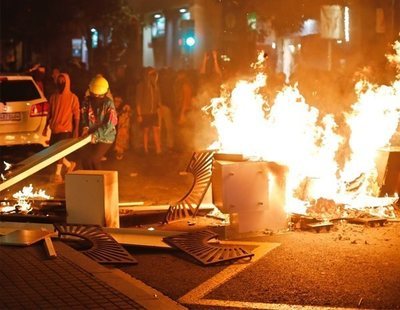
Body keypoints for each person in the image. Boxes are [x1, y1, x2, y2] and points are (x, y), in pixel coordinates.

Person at [42, 73, 80, 183]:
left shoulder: (73, 98)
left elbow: (76, 114)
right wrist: (46, 127)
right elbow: (49, 114)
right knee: (54, 153)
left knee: (59, 152)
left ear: (67, 82)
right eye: (59, 81)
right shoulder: (53, 97)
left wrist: (76, 129)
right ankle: (69, 165)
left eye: (63, 81)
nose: (61, 83)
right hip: (54, 129)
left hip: (65, 129)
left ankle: (57, 175)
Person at [80, 75, 118, 170]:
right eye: (94, 95)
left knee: (94, 159)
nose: (96, 97)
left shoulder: (108, 104)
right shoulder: (87, 101)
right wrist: (85, 128)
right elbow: (84, 117)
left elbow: (110, 124)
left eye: (99, 95)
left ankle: (100, 183)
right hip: (91, 135)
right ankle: (88, 181)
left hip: (106, 137)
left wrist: (96, 135)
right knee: (85, 159)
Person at [136, 67, 162, 155]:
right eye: (151, 75)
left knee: (156, 130)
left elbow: (158, 101)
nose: (153, 76)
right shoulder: (141, 86)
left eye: (154, 75)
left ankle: (158, 149)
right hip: (145, 113)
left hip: (154, 113)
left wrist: (159, 111)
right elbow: (138, 102)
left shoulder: (155, 86)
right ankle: (145, 149)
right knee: (146, 131)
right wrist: (139, 115)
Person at [113, 94, 131, 160]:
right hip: (119, 126)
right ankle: (118, 150)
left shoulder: (126, 106)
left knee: (123, 136)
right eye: (116, 101)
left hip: (123, 126)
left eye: (119, 101)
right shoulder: (114, 107)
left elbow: (127, 115)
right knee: (119, 137)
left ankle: (120, 150)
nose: (117, 103)